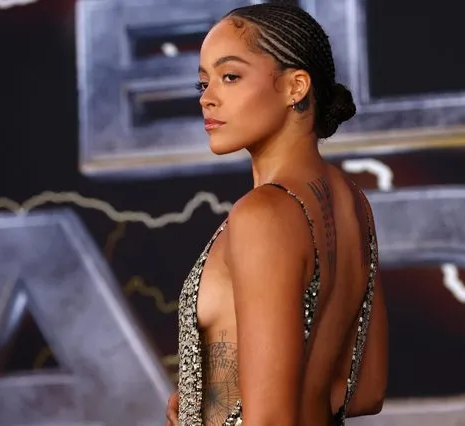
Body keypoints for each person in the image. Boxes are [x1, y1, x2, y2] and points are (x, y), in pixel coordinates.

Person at [165, 3, 388, 425]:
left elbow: (269, 420)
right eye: (203, 84)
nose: (208, 98)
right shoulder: (354, 203)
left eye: (230, 76)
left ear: (295, 86)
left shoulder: (263, 214)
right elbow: (365, 391)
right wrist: (211, 404)